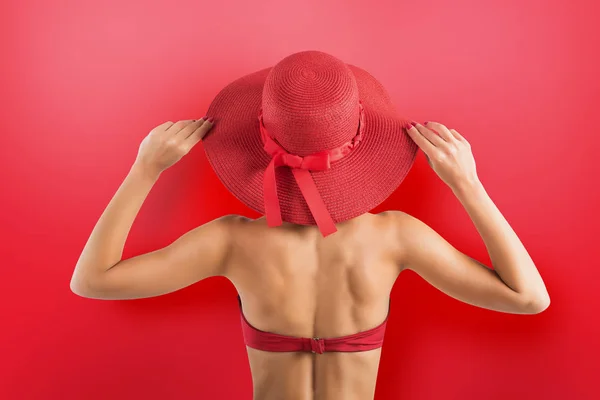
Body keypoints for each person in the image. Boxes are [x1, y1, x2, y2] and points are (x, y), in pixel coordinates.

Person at [70, 51, 550, 400]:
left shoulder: (230, 242)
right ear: (358, 142)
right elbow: (528, 298)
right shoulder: (397, 237)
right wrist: (466, 184)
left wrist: (145, 169)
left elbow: (92, 280)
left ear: (262, 138)